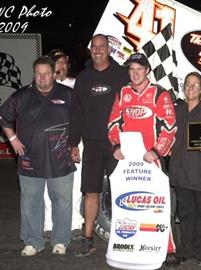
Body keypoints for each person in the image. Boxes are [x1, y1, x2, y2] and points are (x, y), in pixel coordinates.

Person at [0, 56, 75, 256]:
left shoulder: (68, 94)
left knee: (62, 201)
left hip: (60, 159)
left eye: (46, 74)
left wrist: (74, 145)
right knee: (30, 202)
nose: (42, 78)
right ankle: (33, 242)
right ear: (34, 74)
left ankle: (60, 241)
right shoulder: (22, 95)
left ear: (54, 74)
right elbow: (3, 117)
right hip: (29, 159)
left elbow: (80, 120)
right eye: (38, 74)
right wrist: (13, 139)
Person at [107, 52, 177, 260]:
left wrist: (157, 150)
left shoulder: (159, 94)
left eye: (139, 69)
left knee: (158, 205)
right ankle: (133, 244)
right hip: (127, 159)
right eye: (131, 69)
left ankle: (169, 249)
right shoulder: (122, 92)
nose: (135, 73)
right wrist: (116, 146)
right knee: (128, 203)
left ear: (147, 70)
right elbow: (112, 123)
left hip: (152, 158)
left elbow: (170, 127)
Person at [69, 34, 129, 257]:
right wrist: (73, 143)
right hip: (91, 145)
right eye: (94, 47)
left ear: (109, 49)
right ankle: (87, 239)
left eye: (102, 46)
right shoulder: (83, 78)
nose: (97, 50)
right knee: (91, 192)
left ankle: (124, 238)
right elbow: (76, 114)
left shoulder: (123, 74)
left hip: (118, 145)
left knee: (120, 192)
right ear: (90, 50)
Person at [169, 72, 201, 267]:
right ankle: (186, 249)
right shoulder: (175, 108)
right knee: (185, 213)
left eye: (195, 84)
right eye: (188, 84)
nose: (191, 87)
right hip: (179, 172)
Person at [43, 49, 83, 240]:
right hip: (49, 142)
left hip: (74, 140)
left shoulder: (77, 85)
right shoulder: (41, 86)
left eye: (64, 63)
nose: (61, 66)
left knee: (75, 183)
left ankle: (75, 223)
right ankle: (49, 225)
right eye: (56, 63)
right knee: (47, 184)